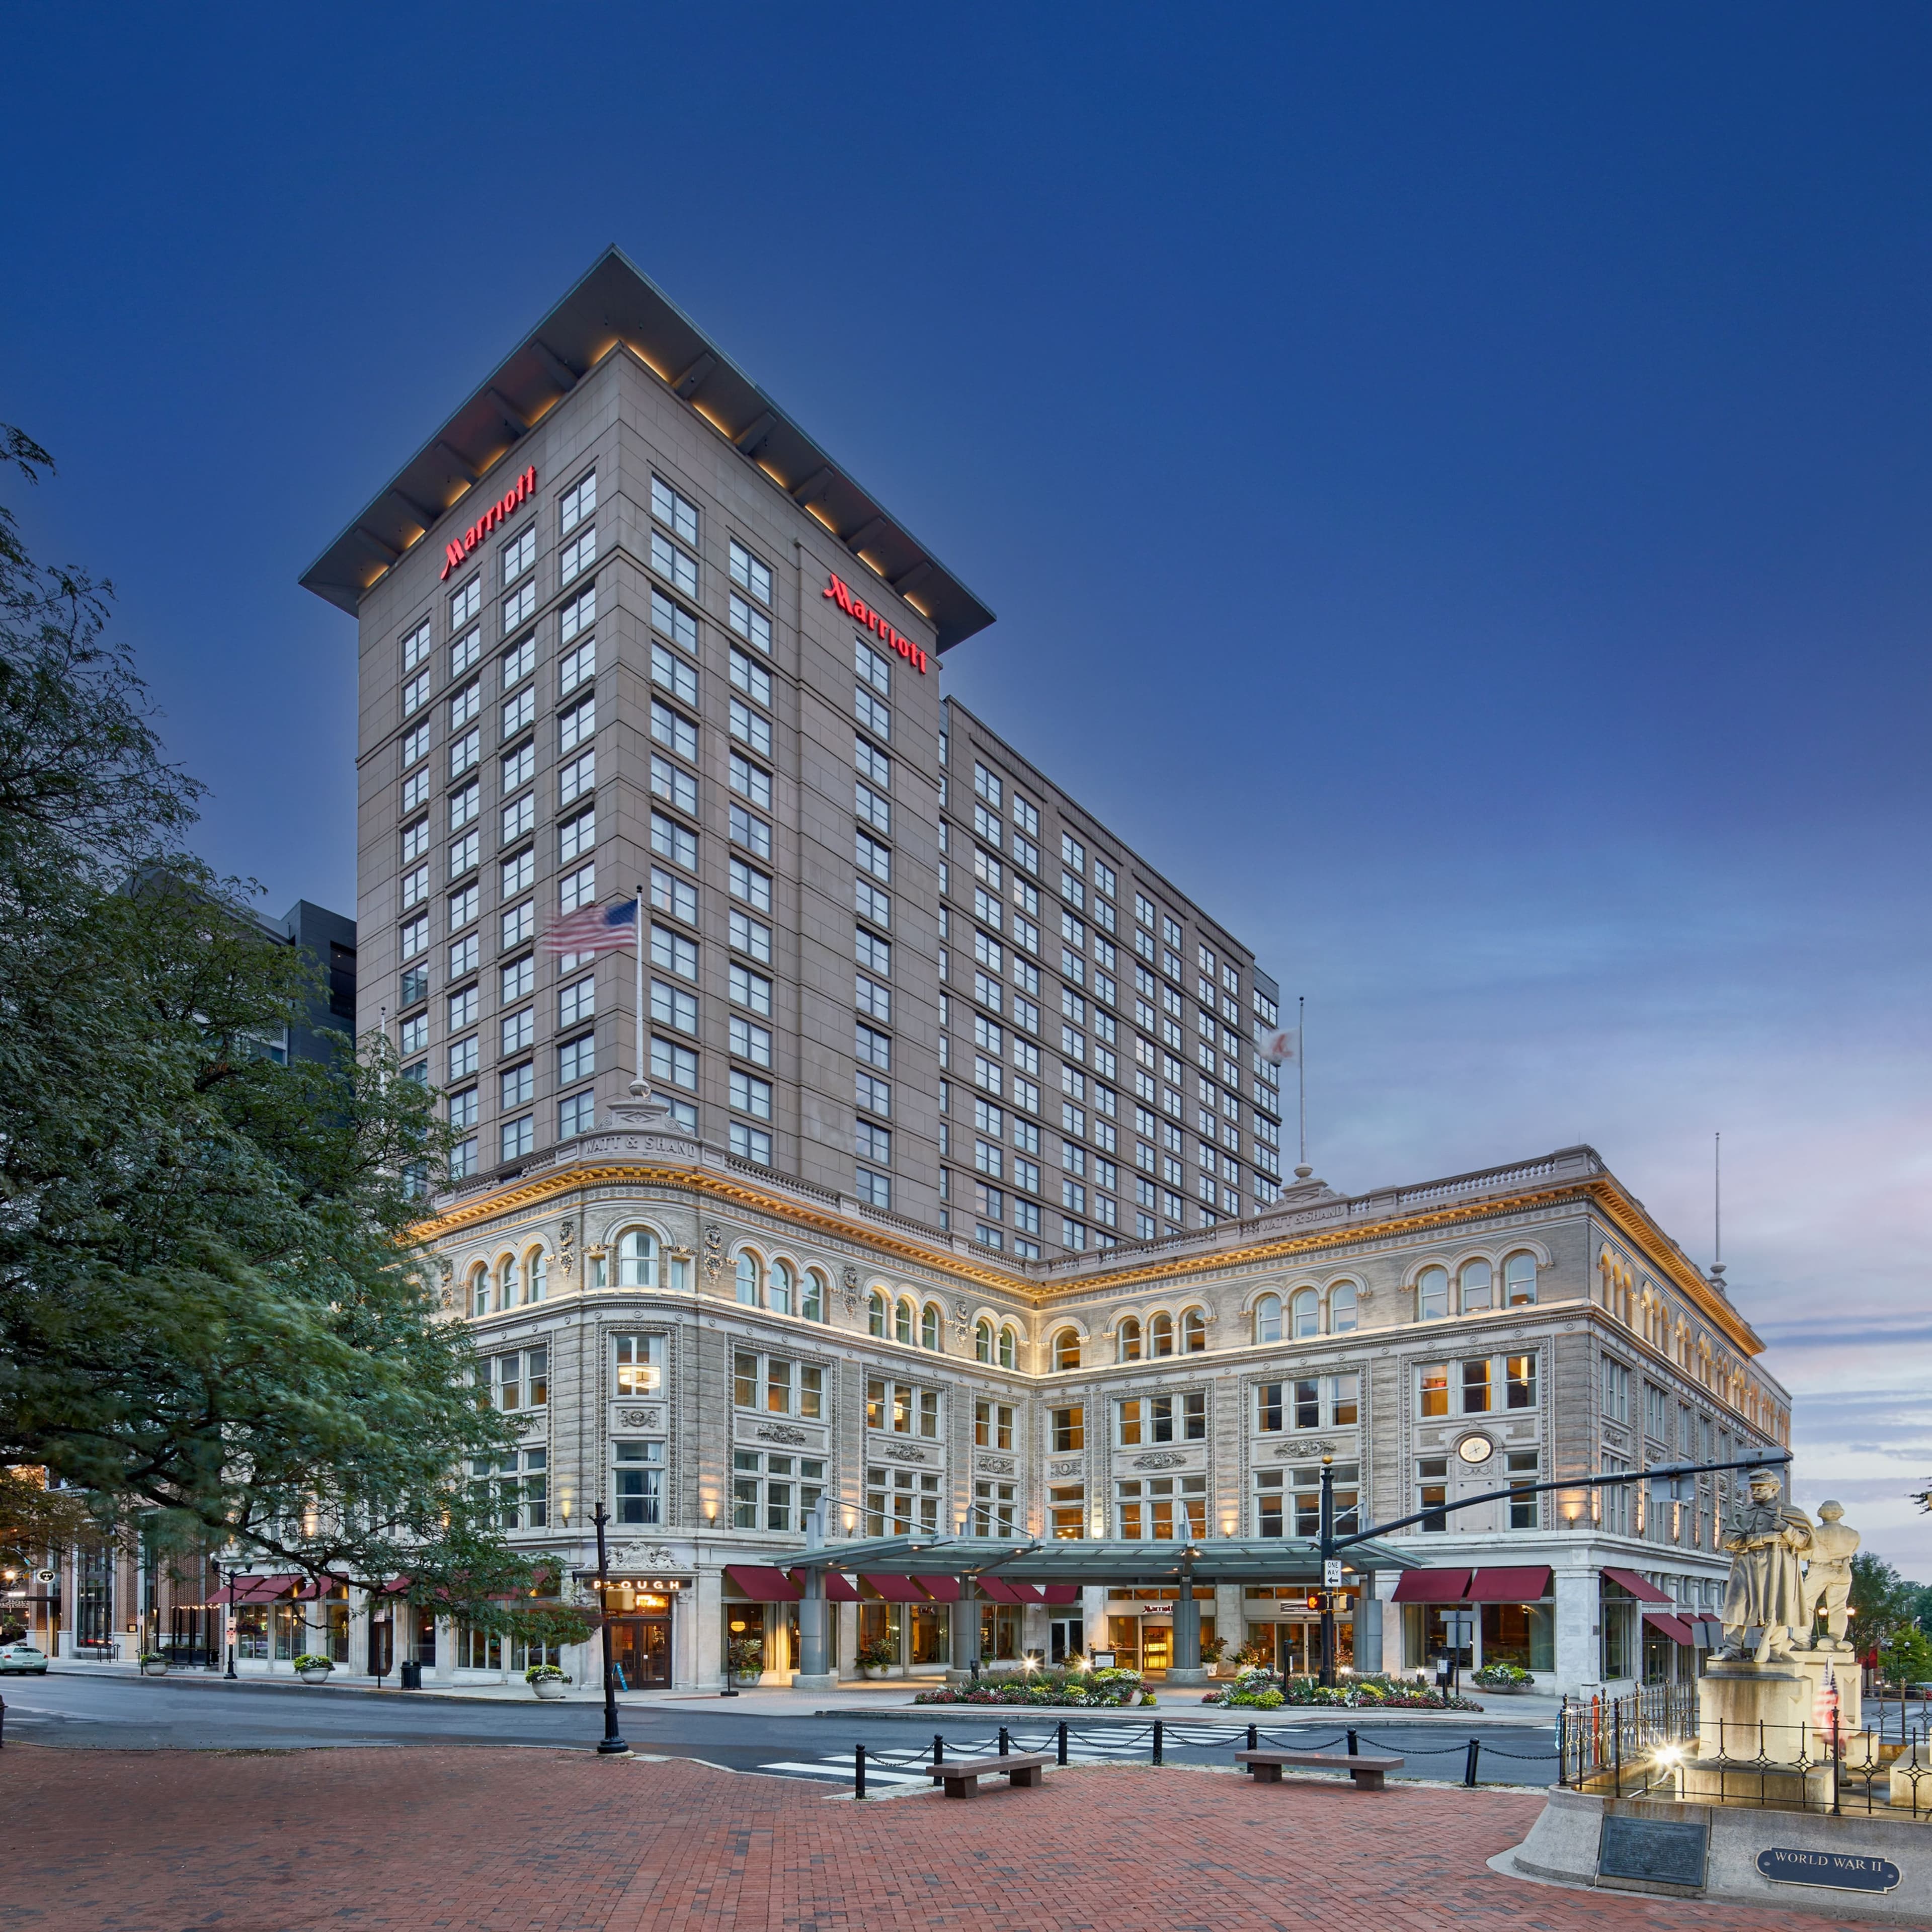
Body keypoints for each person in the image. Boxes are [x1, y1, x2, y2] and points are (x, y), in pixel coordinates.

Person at [1719, 1471, 1812, 1663]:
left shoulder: (1790, 1513)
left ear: (1774, 1488)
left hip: (1780, 1566)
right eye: (1753, 1488)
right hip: (1746, 1565)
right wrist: (1762, 1538)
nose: (1755, 1491)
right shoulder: (1742, 1513)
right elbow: (1727, 1540)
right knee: (1738, 1605)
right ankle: (1732, 1648)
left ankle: (1775, 1649)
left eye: (1760, 1488)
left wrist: (1787, 1529)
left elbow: (1806, 1542)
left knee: (1778, 1606)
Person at [1799, 1501, 1860, 1652]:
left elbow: (1804, 1555)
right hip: (1844, 1571)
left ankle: (1802, 1642)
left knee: (1805, 1604)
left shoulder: (1816, 1533)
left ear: (1821, 1514)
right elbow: (1852, 1552)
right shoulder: (1854, 1534)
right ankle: (1836, 1640)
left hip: (1820, 1569)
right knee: (1839, 1606)